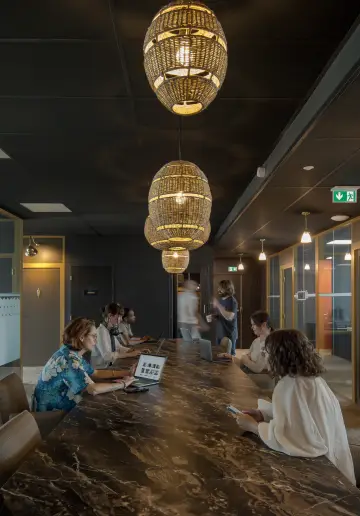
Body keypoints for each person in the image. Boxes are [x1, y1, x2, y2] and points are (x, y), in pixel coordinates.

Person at [233, 329, 355, 485]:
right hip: (337, 461)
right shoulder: (312, 379)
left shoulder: (288, 386)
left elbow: (293, 439)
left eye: (267, 353)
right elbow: (303, 416)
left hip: (323, 474)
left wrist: (254, 427)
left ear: (280, 355)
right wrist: (264, 414)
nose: (265, 357)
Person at [34, 318, 135, 412]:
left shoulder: (70, 352)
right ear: (82, 337)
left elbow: (95, 372)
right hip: (52, 415)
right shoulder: (69, 359)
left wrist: (128, 372)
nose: (96, 340)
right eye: (93, 336)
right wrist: (123, 384)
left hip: (57, 405)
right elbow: (93, 389)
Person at [92, 303, 142, 368]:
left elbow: (118, 347)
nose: (121, 319)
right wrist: (129, 354)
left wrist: (133, 351)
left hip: (110, 366)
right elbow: (107, 356)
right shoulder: (101, 332)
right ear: (110, 316)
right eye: (119, 316)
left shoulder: (109, 330)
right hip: (102, 369)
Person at [212, 279, 238, 356]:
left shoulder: (232, 301)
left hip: (229, 332)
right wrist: (214, 316)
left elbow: (229, 317)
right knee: (219, 355)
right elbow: (221, 315)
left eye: (221, 288)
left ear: (227, 288)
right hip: (220, 332)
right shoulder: (220, 300)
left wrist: (218, 305)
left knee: (229, 356)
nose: (218, 290)